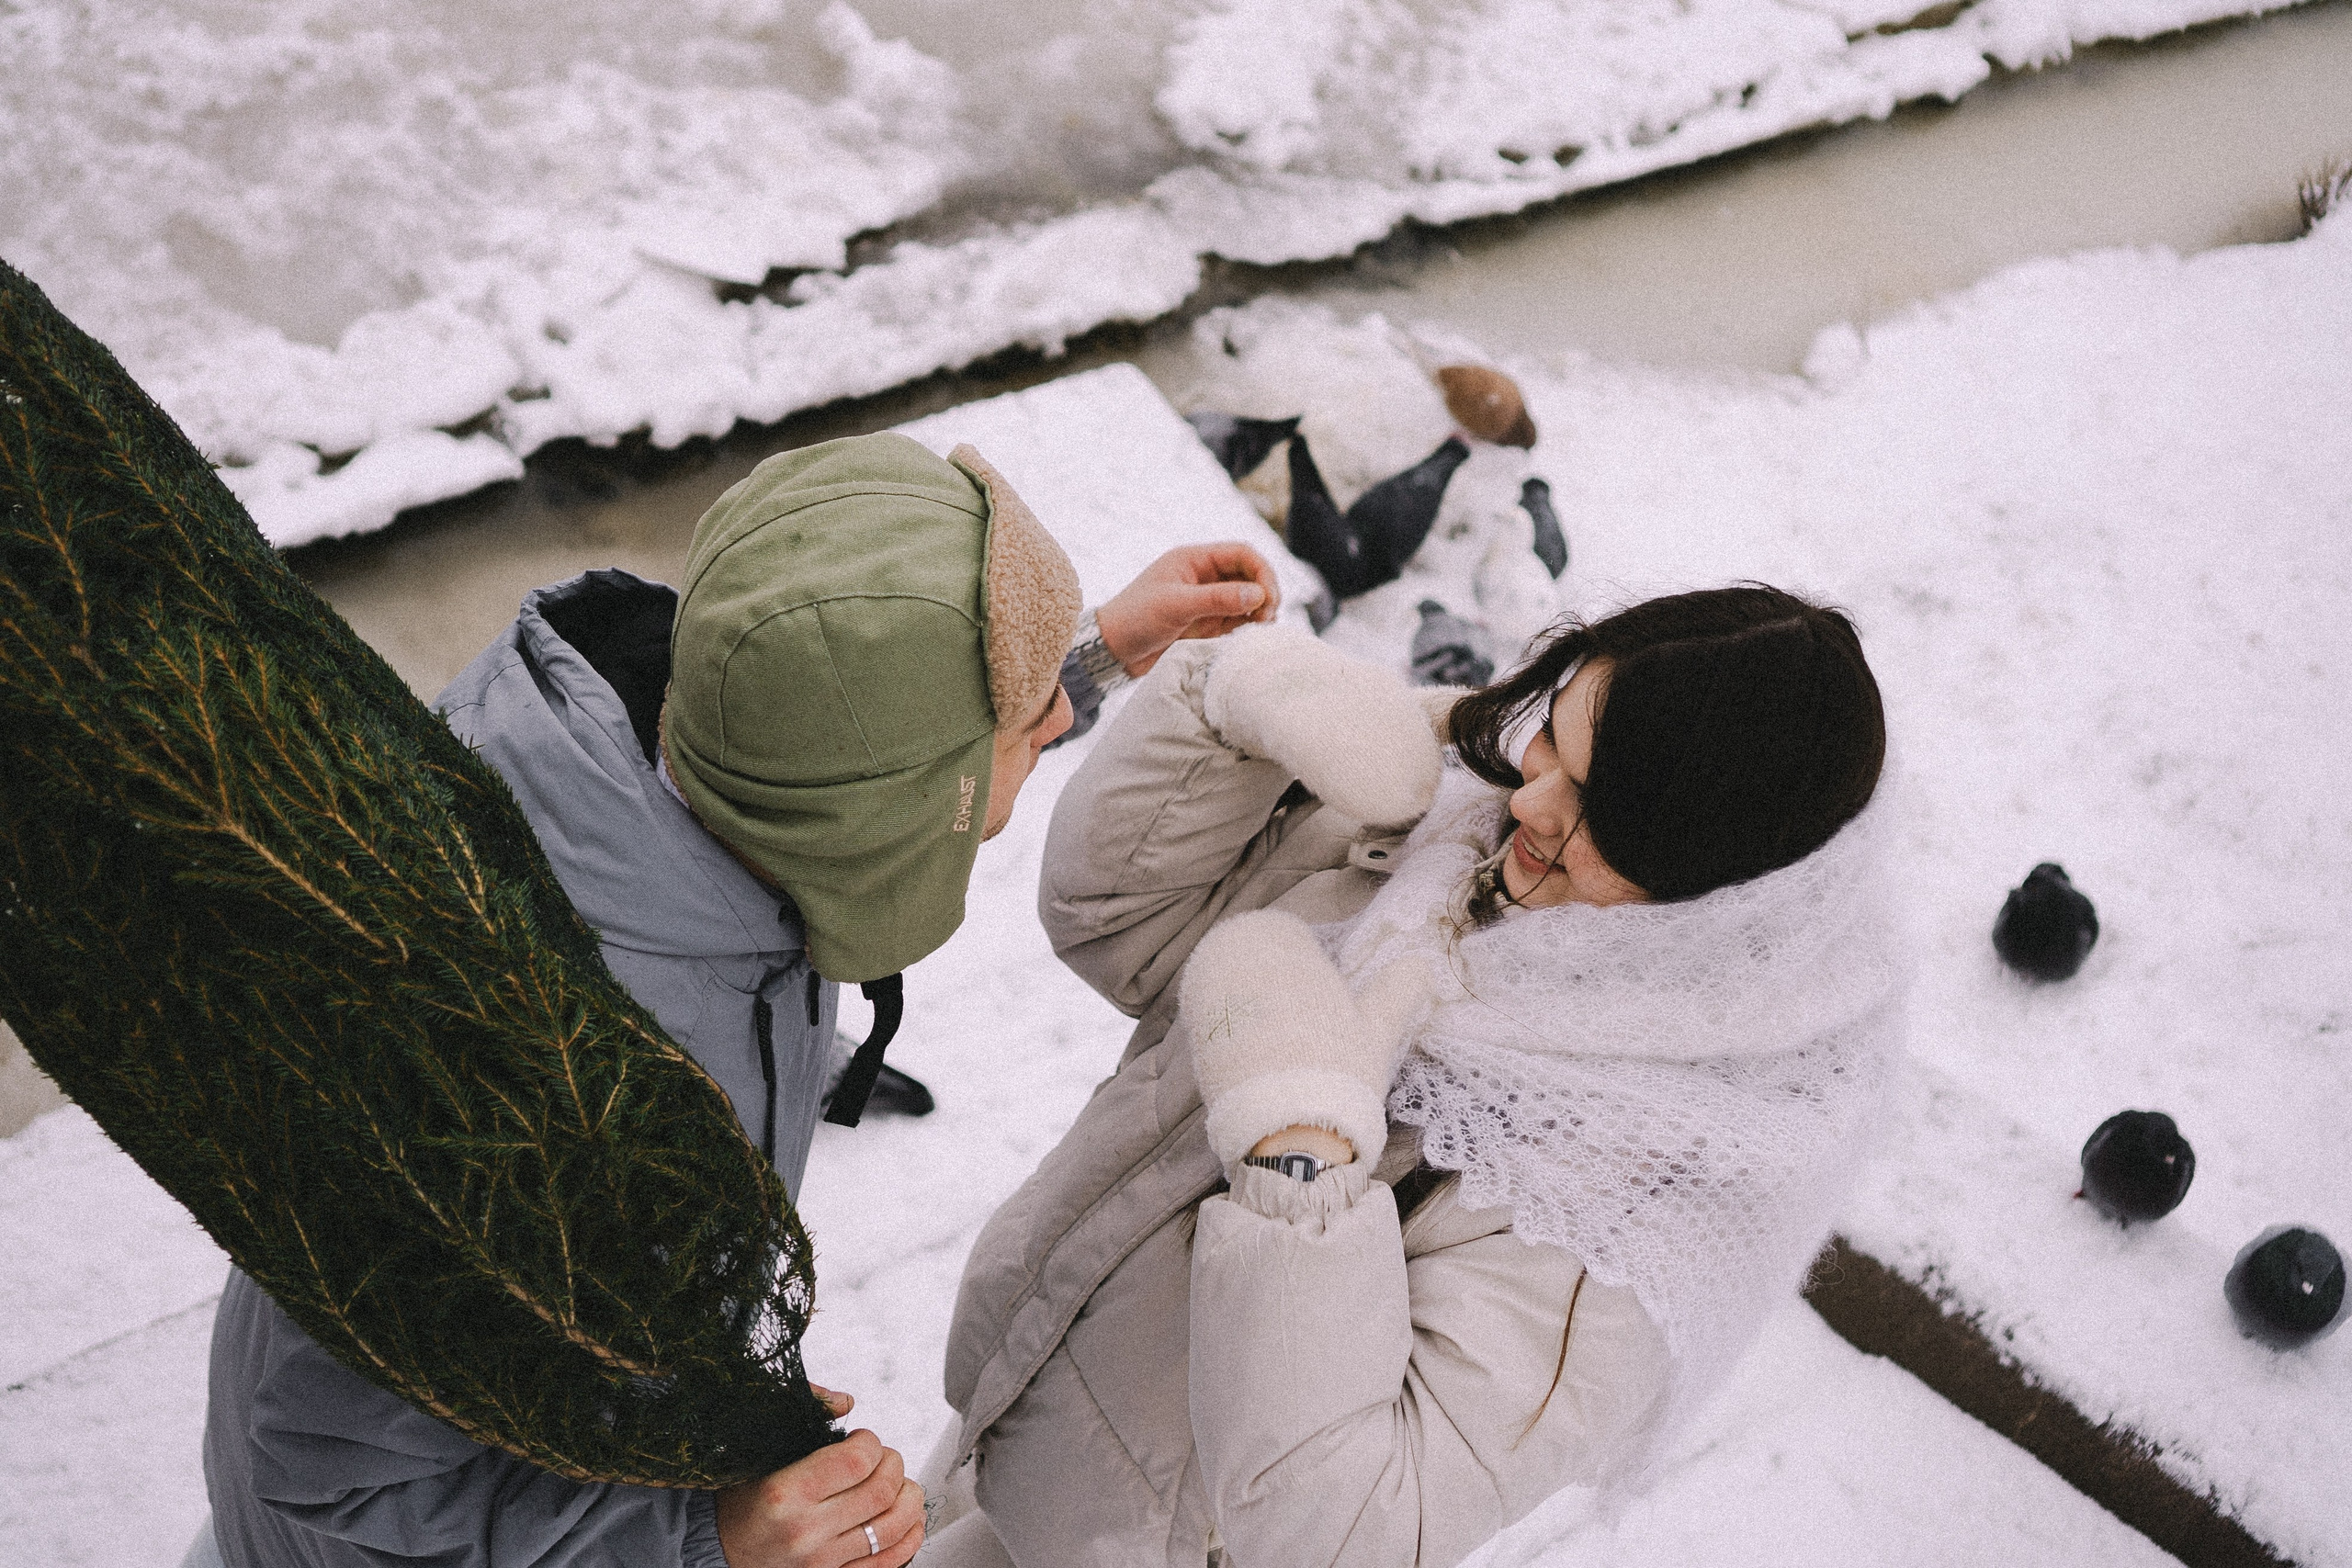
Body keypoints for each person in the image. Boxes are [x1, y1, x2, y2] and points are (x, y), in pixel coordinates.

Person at [192, 433, 1281, 1568]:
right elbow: (329, 1492)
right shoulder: (529, 1095)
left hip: (573, 1426)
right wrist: (704, 1541)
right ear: (890, 818)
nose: (1052, 723)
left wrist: (1093, 655)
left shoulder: (686, 771)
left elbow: (863, 719)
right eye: (1022, 725)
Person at [927, 585, 1905, 1567]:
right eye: (1553, 739)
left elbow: (1346, 1529)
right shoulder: (1454, 830)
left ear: (1713, 883)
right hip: (1024, 1412)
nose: (1531, 797)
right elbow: (1121, 934)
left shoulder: (1638, 1198)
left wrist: (1297, 1159)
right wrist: (1223, 713)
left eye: (1600, 807)